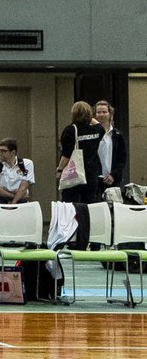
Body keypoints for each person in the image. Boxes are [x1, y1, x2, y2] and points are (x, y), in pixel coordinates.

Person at [56, 99, 103, 253]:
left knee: (70, 208)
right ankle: (92, 241)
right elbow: (97, 124)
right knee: (90, 208)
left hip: (74, 176)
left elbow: (67, 154)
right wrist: (89, 116)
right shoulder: (97, 130)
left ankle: (71, 239)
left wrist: (59, 169)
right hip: (91, 175)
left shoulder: (71, 130)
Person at [93, 98, 128, 198]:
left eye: (104, 112)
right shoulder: (90, 133)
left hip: (112, 179)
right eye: (99, 112)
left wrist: (113, 175)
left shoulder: (117, 135)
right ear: (95, 114)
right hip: (95, 179)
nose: (102, 115)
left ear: (110, 113)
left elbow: (122, 158)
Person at [0, 140, 35, 205]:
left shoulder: (26, 164)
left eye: (3, 151)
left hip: (19, 200)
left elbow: (23, 188)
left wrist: (13, 203)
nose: (0, 153)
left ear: (13, 152)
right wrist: (12, 196)